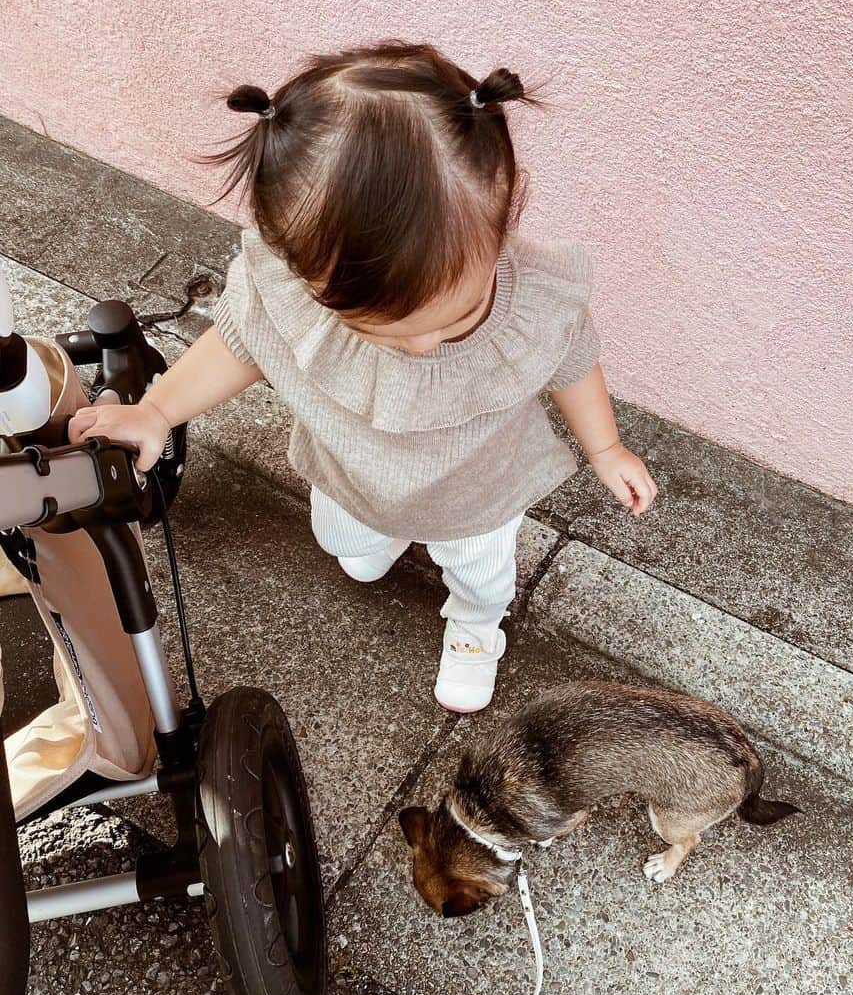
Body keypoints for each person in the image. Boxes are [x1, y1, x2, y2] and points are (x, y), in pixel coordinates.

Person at [70, 42, 657, 712]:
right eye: (386, 329)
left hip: (477, 491)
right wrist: (157, 410)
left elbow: (574, 362)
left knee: (480, 572)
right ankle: (384, 530)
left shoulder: (534, 305)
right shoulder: (290, 292)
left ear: (505, 218)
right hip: (352, 472)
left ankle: (473, 629)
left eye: (457, 314)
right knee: (345, 540)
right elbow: (239, 343)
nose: (424, 347)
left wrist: (605, 447)